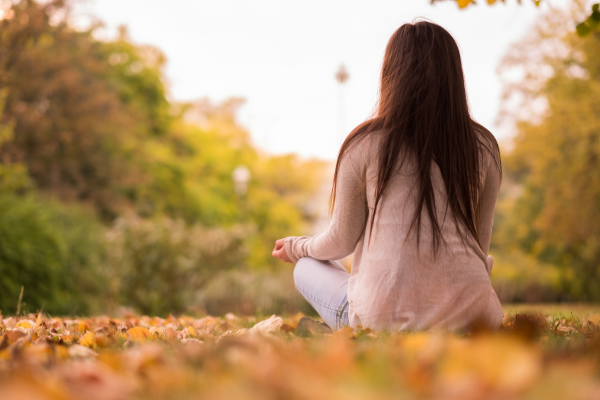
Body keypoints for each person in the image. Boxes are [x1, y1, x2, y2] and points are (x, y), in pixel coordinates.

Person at [272, 21, 503, 332]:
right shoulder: (484, 146)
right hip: (476, 321)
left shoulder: (364, 143)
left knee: (306, 268)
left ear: (391, 73)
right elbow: (480, 243)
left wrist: (295, 246)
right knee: (480, 264)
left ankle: (348, 328)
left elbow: (341, 241)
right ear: (454, 75)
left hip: (382, 323)